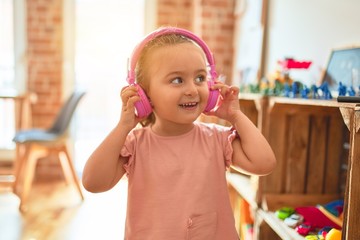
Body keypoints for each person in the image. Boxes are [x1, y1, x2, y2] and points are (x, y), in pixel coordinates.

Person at [82, 27, 276, 240]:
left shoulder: (217, 139)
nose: (192, 89)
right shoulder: (134, 145)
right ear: (143, 94)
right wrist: (122, 127)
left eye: (200, 78)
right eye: (177, 80)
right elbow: (93, 182)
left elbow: (264, 163)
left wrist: (235, 115)